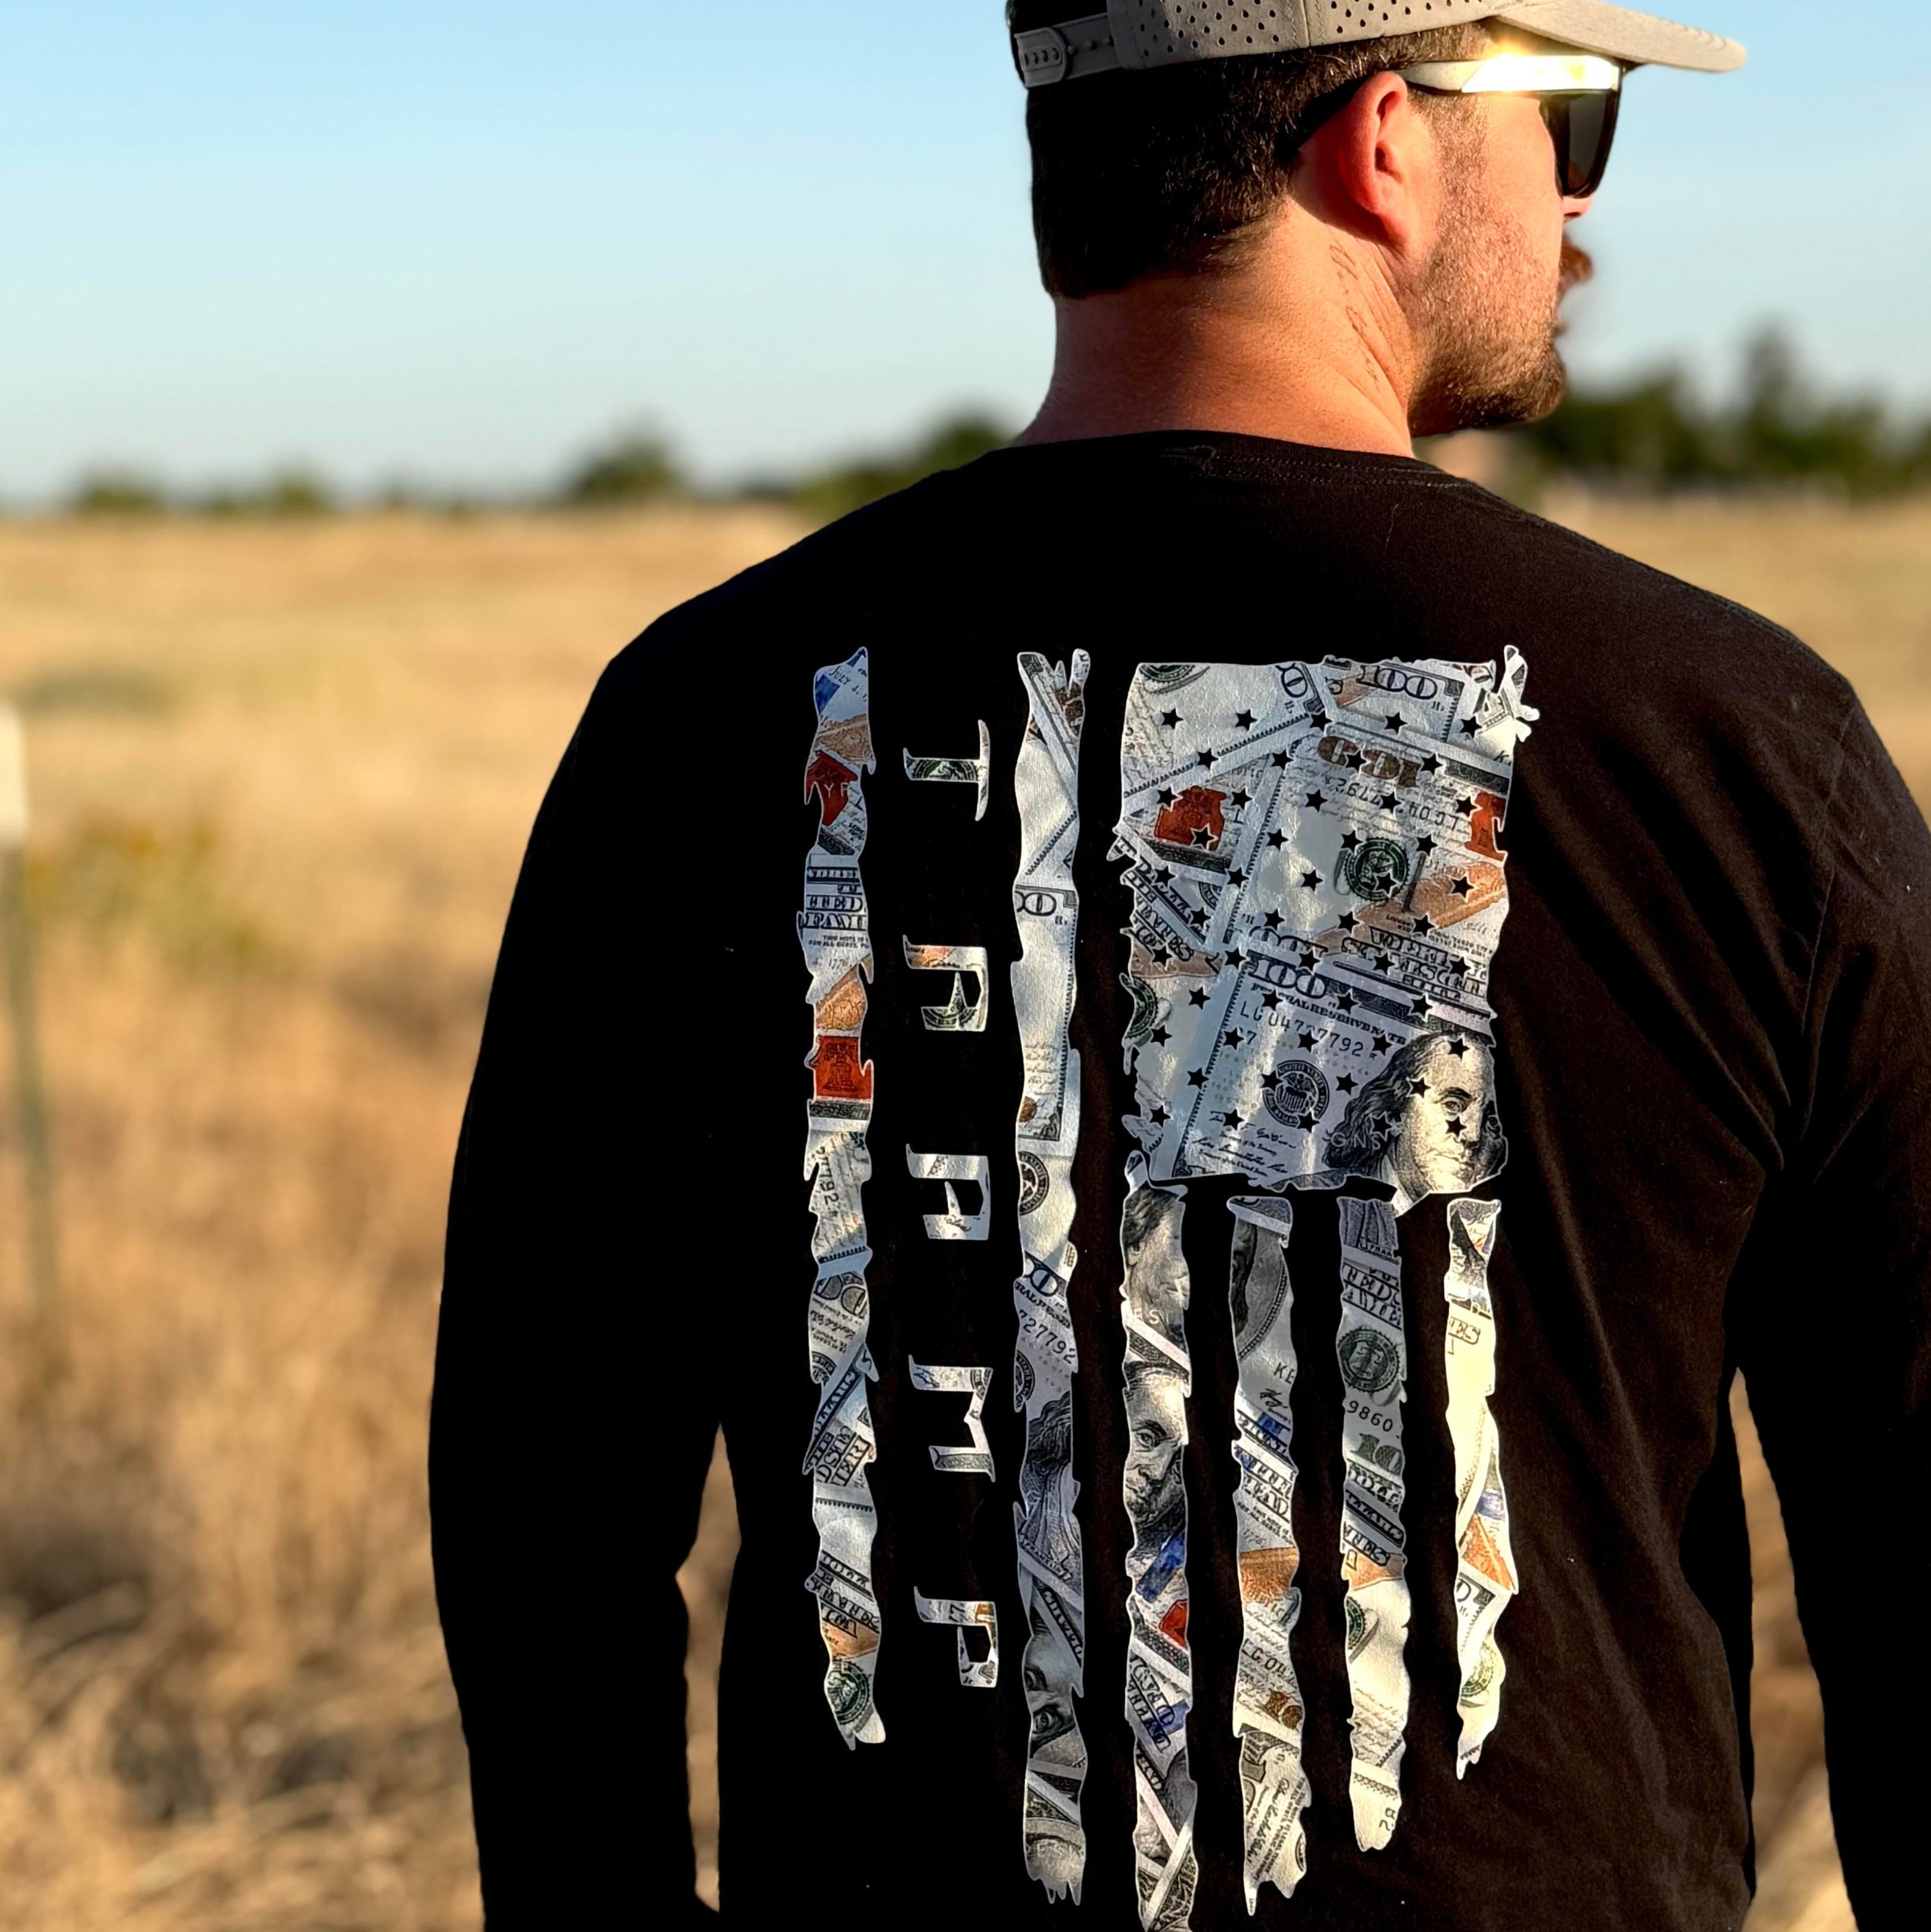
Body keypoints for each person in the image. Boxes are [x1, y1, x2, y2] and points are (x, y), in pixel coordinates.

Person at [430, 4, 1930, 1928]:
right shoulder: (1731, 749)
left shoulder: (700, 718)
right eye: (1573, 117)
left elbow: (540, 1504)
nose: (1576, 207)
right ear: (1380, 143)